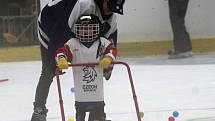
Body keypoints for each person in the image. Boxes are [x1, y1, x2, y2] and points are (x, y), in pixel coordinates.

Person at [31, 0, 125, 121]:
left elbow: (110, 42)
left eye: (113, 9)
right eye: (109, 7)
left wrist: (108, 68)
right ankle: (39, 111)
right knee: (48, 71)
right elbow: (59, 32)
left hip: (72, 27)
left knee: (96, 68)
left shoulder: (112, 17)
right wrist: (55, 62)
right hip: (50, 23)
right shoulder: (83, 4)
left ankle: (95, 112)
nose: (109, 12)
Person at [56, 14, 117, 121]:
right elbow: (62, 51)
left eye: (89, 28)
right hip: (81, 94)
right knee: (80, 116)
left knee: (99, 116)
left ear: (96, 29)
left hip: (97, 94)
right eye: (83, 28)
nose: (86, 31)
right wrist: (62, 59)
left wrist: (108, 58)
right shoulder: (73, 43)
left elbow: (112, 50)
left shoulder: (102, 42)